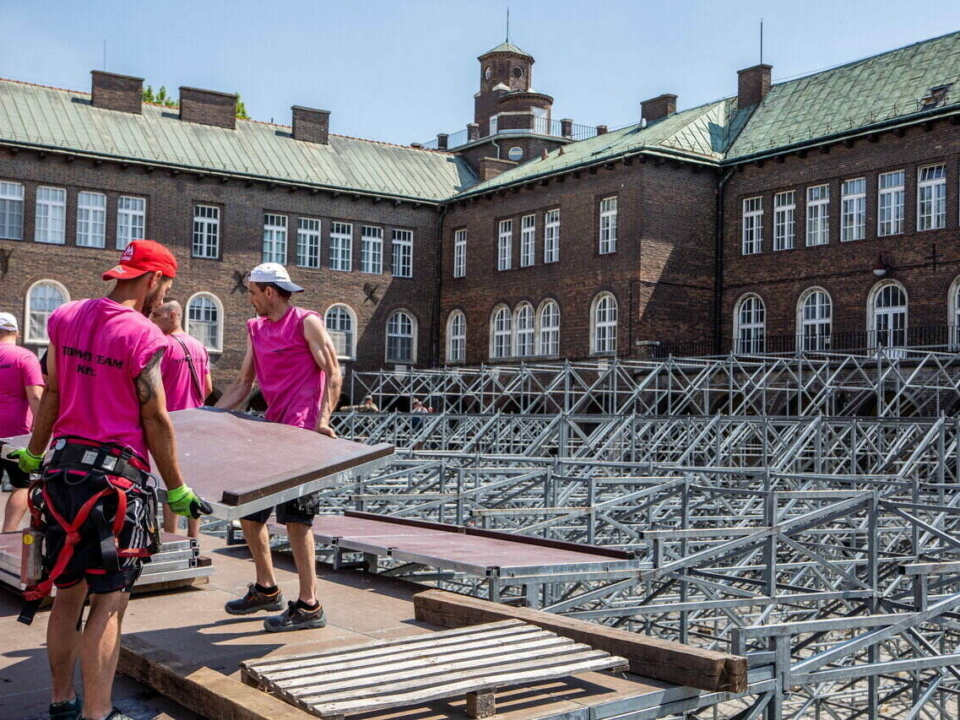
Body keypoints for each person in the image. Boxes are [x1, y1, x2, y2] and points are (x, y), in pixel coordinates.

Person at [11, 240, 209, 720]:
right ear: (154, 280)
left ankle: (62, 702)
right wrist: (177, 487)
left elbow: (53, 393)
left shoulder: (65, 316)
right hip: (114, 484)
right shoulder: (144, 335)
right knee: (109, 601)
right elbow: (155, 417)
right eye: (165, 285)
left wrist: (34, 454)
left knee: (67, 592)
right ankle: (99, 714)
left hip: (62, 473)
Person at [216, 262, 342, 632]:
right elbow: (242, 384)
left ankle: (309, 605)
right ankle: (267, 588)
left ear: (269, 291)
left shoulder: (306, 322)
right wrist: (199, 417)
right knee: (249, 512)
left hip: (302, 436)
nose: (250, 298)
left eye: (253, 292)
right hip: (271, 434)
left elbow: (333, 371)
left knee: (298, 522)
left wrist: (323, 419)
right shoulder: (256, 329)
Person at [149, 299, 213, 539]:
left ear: (173, 315)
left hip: (170, 423)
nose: (153, 320)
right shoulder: (199, 346)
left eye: (157, 315)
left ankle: (171, 536)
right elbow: (207, 388)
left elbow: (152, 387)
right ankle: (194, 539)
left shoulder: (163, 345)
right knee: (193, 481)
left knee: (170, 480)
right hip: (196, 423)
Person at [0, 312, 44, 532]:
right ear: (16, 332)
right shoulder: (24, 357)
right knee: (22, 485)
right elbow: (36, 397)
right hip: (16, 435)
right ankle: (6, 535)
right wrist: (42, 433)